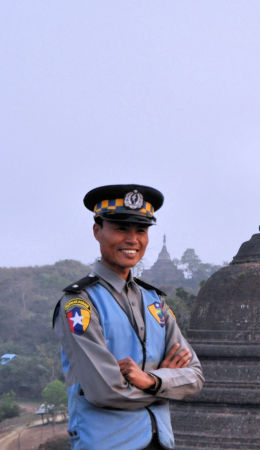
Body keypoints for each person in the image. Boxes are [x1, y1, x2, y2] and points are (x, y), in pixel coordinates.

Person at [53, 184, 204, 449]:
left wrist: (152, 380)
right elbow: (105, 391)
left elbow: (195, 378)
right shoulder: (80, 303)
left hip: (161, 442)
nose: (132, 239)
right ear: (97, 231)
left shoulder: (154, 301)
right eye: (121, 228)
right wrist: (166, 384)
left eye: (141, 230)